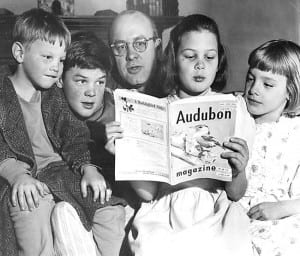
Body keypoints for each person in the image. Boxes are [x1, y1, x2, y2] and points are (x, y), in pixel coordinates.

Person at [125, 14, 255, 256]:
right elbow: (148, 193)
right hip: (166, 210)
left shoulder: (233, 108)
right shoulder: (155, 111)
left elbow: (236, 193)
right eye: (190, 56)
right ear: (174, 58)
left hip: (215, 208)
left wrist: (238, 170)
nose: (200, 65)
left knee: (226, 245)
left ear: (219, 60)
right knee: (151, 247)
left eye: (209, 57)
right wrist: (127, 153)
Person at [0, 9, 126, 256]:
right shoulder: (2, 96)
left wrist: (88, 168)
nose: (55, 68)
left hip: (60, 173)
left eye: (60, 60)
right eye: (47, 57)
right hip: (21, 179)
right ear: (19, 53)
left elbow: (74, 134)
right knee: (29, 210)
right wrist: (16, 175)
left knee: (107, 207)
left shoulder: (53, 97)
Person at [239, 39, 300, 256]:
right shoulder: (236, 117)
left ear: (290, 92)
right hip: (236, 213)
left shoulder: (295, 131)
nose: (253, 90)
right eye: (250, 79)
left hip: (283, 215)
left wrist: (282, 208)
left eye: (268, 84)